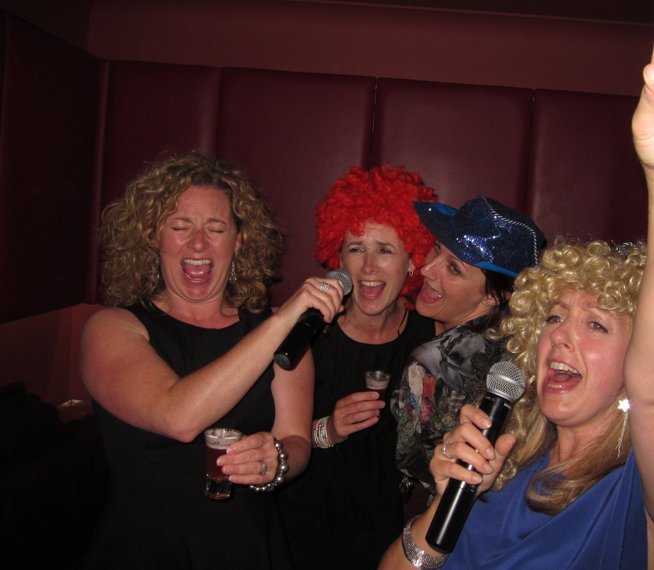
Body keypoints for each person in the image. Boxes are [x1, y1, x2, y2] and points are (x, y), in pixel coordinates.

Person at [379, 0, 654, 567]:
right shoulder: (506, 463)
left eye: (597, 324)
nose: (560, 336)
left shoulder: (644, 498)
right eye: (553, 317)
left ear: (640, 361)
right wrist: (447, 499)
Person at [80, 152, 345, 570]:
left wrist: (276, 459)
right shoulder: (111, 327)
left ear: (239, 241)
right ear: (153, 236)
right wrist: (282, 321)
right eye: (180, 227)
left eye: (216, 228)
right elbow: (179, 415)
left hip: (249, 544)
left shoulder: (282, 334)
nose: (199, 243)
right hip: (145, 546)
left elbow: (297, 441)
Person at [277, 165, 439, 570]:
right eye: (355, 249)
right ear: (337, 258)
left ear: (413, 261)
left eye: (385, 250)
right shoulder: (307, 331)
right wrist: (327, 430)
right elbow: (266, 436)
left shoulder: (431, 340)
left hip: (381, 535)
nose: (368, 267)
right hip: (297, 528)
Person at [392, 195, 544, 497]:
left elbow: (412, 463)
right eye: (438, 248)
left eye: (454, 268)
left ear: (494, 296)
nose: (426, 268)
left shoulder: (430, 362)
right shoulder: (530, 344)